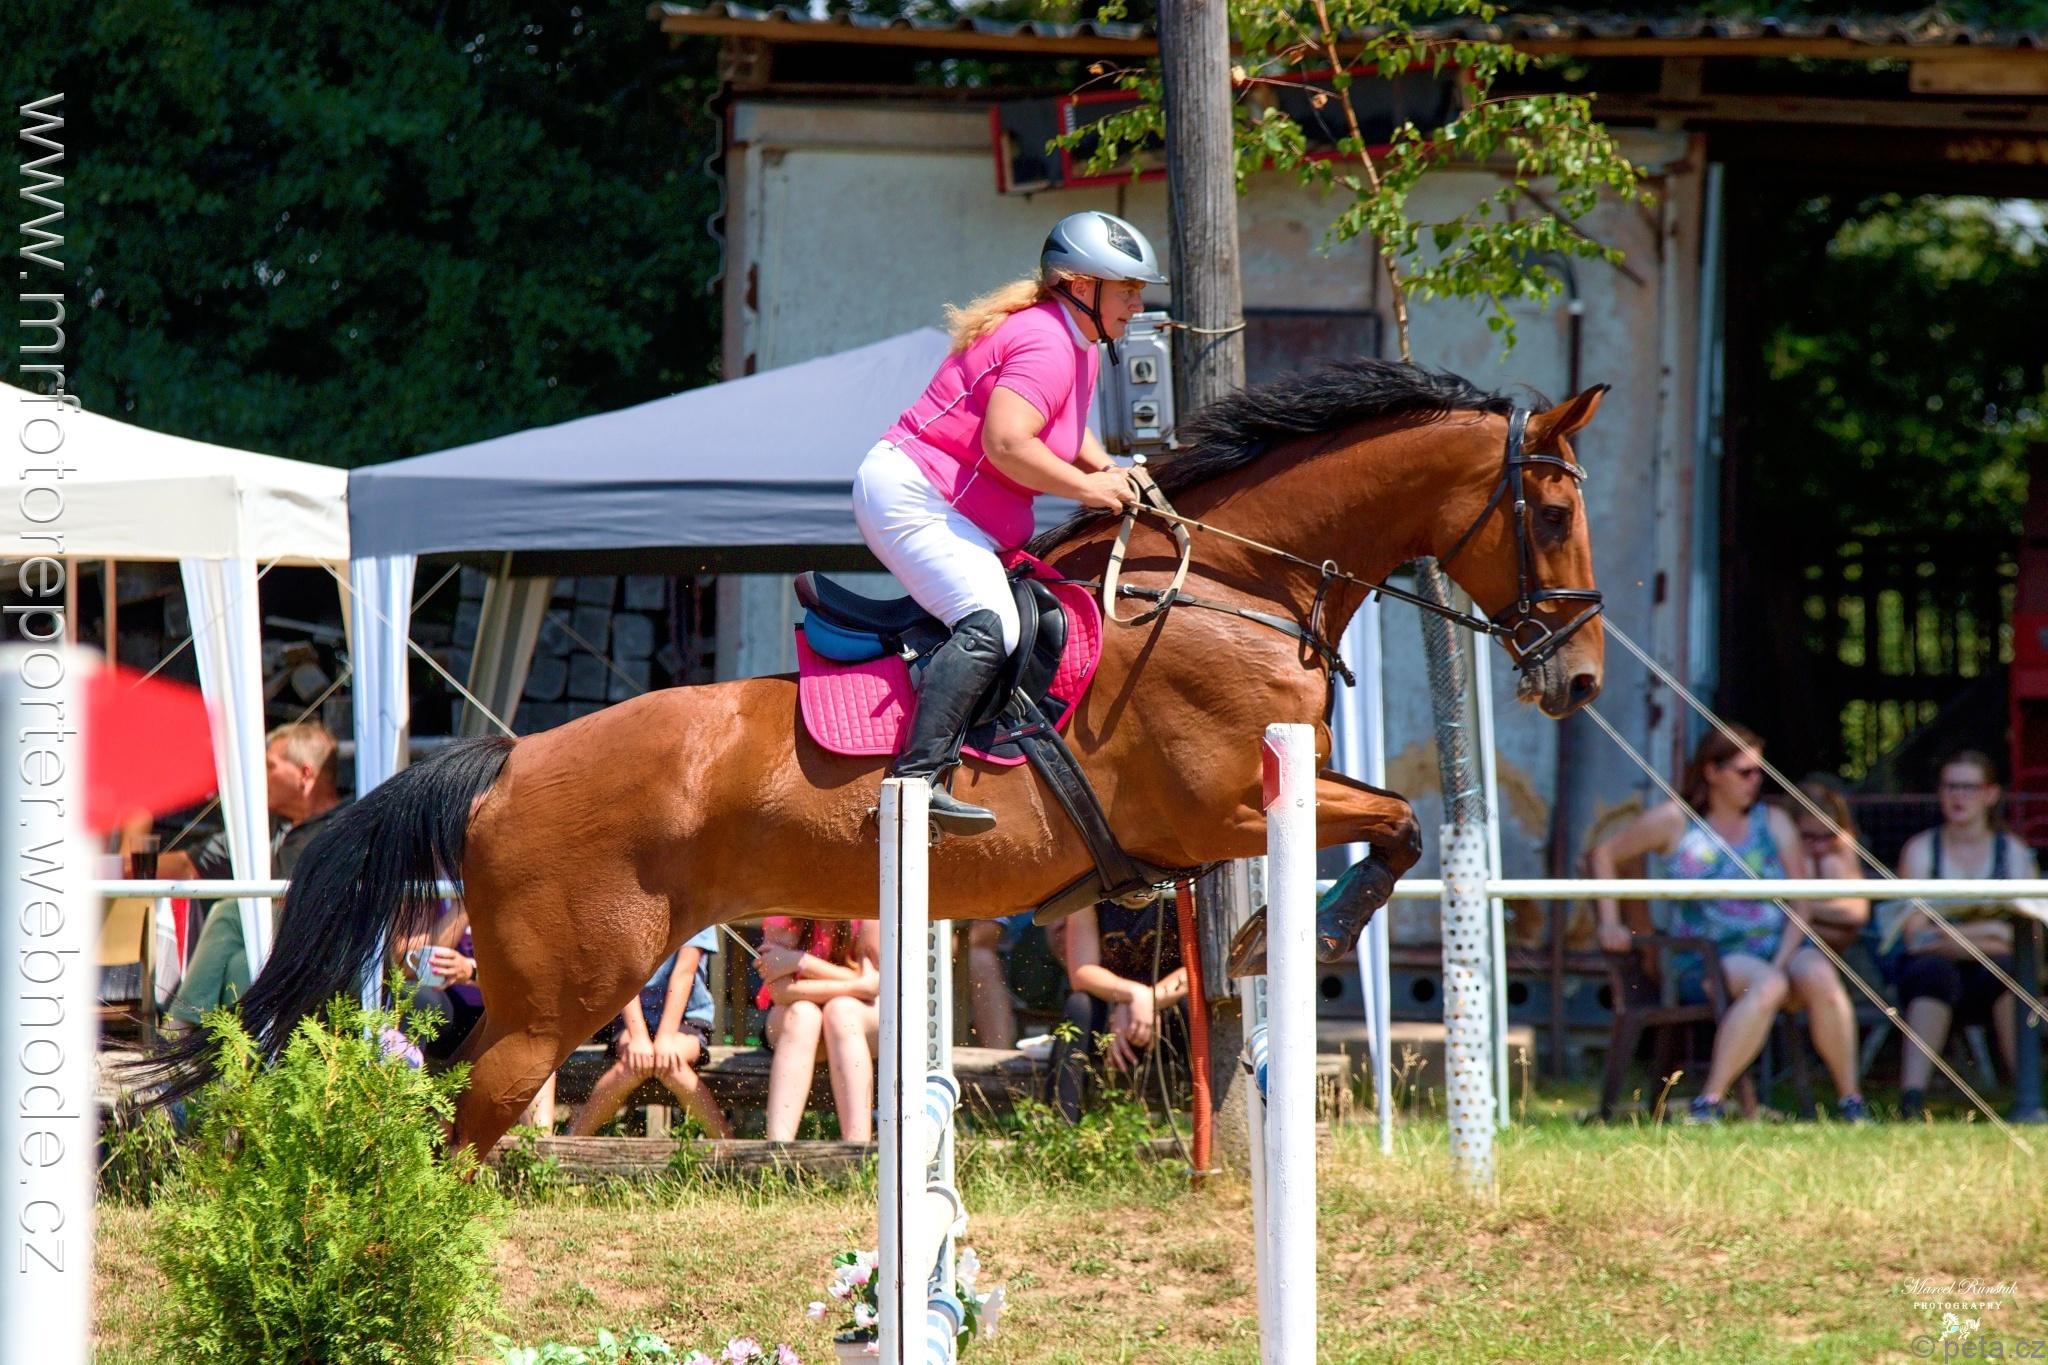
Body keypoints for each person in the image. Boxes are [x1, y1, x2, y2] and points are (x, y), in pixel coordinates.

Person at [852, 210, 1165, 835]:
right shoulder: (1048, 342)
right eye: (1127, 289)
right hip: (916, 498)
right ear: (1083, 286)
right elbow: (1008, 444)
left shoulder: (1073, 339)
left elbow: (1062, 433)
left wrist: (1115, 470)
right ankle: (914, 783)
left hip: (940, 503)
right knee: (991, 621)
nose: (1138, 303)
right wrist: (1092, 489)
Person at [1590, 725, 1865, 1123]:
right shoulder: (1675, 820)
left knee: (1820, 974)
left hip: (1779, 945)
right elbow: (1604, 855)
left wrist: (1781, 960)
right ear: (1712, 771)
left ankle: (1851, 1102)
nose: (1755, 781)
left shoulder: (1774, 822)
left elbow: (1800, 905)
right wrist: (1611, 922)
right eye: (1744, 772)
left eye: (1759, 772)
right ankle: (1710, 1101)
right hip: (1706, 958)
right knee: (1767, 984)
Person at [159, 722, 349, 1028]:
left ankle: (179, 1031)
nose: (259, 777)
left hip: (326, 946)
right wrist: (114, 866)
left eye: (269, 766)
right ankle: (232, 1052)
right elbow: (186, 864)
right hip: (273, 949)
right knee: (240, 964)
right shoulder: (264, 826)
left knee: (231, 909)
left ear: (305, 774)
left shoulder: (349, 826)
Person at [1892, 750, 2040, 1120]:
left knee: (2007, 972)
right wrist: (1991, 931)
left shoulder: (2015, 854)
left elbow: (2028, 941)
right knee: (1933, 974)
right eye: (1950, 786)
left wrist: (1947, 935)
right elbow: (1915, 939)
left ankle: (2029, 1099)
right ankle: (1911, 1102)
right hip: (1931, 973)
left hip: (1996, 974)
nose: (1959, 796)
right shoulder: (1920, 851)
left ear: (1991, 794)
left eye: (1969, 787)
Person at [568, 928, 733, 1139]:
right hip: (632, 1020)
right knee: (632, 1065)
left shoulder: (698, 909)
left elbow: (684, 971)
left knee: (673, 1066)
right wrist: (638, 1036)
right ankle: (570, 1142)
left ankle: (727, 1146)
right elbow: (624, 973)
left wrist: (665, 1037)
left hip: (686, 1017)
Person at [1047, 893, 1189, 1123]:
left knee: (1191, 1003)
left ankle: (1211, 1118)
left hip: (1168, 1014)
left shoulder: (1183, 889)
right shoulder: (1089, 889)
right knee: (1079, 1006)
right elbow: (1082, 972)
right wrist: (1131, 995)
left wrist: (1149, 1000)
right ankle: (1062, 1123)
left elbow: (1195, 969)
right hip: (1110, 1019)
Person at [757, 917, 883, 1142]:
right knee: (804, 1014)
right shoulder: (785, 912)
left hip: (856, 1023)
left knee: (840, 1012)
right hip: (797, 1025)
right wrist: (856, 985)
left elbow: (876, 984)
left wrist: (800, 962)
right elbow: (781, 992)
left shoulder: (865, 908)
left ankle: (858, 1148)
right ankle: (778, 1147)